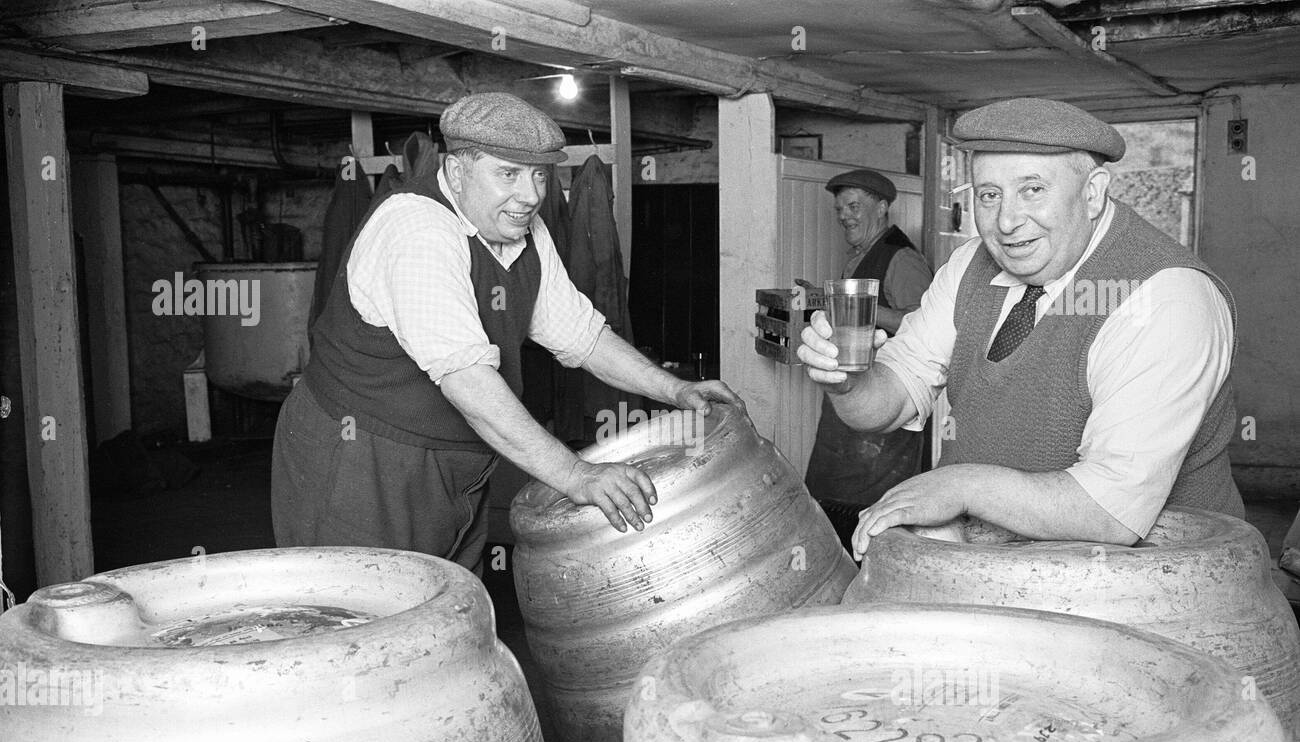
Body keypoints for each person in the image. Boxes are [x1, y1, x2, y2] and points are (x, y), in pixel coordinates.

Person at [272, 92, 742, 573]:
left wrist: (674, 388)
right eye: (508, 174)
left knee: (454, 603)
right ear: (457, 172)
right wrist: (575, 475)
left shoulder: (523, 230)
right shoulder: (417, 229)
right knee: (367, 610)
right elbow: (467, 381)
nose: (532, 194)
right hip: (364, 457)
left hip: (460, 458)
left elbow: (581, 334)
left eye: (540, 174)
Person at [797, 97, 1243, 557]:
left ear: (1092, 193)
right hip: (1005, 568)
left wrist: (960, 487)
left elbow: (1111, 511)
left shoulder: (1163, 297)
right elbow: (891, 398)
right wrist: (850, 384)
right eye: (990, 195)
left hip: (1166, 586)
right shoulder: (970, 265)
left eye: (1032, 190)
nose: (1007, 222)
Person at [802, 169, 933, 550]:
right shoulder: (860, 257)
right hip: (851, 406)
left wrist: (859, 311)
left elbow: (919, 321)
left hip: (885, 412)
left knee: (871, 514)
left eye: (854, 205)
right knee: (833, 497)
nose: (844, 215)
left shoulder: (902, 259)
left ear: (882, 208)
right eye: (840, 208)